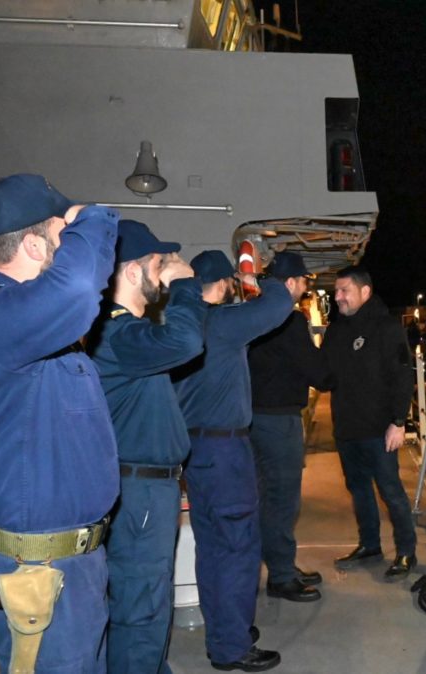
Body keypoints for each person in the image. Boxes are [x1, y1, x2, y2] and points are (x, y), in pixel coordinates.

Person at [0, 174, 119, 672]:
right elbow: (79, 289)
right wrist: (93, 217)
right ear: (34, 244)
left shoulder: (26, 326)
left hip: (66, 567)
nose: (71, 243)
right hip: (36, 573)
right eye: (62, 233)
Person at [88, 220, 205, 674]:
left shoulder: (128, 333)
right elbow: (187, 340)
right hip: (139, 492)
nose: (164, 271)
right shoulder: (119, 335)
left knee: (147, 602)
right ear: (133, 271)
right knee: (140, 609)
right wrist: (186, 285)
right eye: (158, 264)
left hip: (146, 488)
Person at [173, 250, 292, 672]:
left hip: (196, 451)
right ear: (224, 284)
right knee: (239, 549)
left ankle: (227, 630)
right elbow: (280, 304)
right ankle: (231, 647)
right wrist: (254, 276)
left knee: (212, 550)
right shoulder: (222, 322)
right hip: (225, 452)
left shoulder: (183, 324)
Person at [321, 265, 418, 579]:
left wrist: (399, 421)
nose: (338, 297)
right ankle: (370, 545)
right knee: (359, 490)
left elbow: (402, 376)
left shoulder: (387, 328)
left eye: (344, 290)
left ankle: (406, 551)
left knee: (391, 491)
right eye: (336, 291)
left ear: (365, 291)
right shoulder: (336, 331)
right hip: (347, 429)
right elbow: (324, 373)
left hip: (379, 430)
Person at [248, 252, 331, 602]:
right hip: (279, 421)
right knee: (282, 500)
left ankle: (274, 564)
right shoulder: (289, 320)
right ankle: (281, 576)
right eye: (303, 282)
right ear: (292, 282)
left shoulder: (249, 313)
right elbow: (317, 372)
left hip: (250, 420)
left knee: (262, 498)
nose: (304, 289)